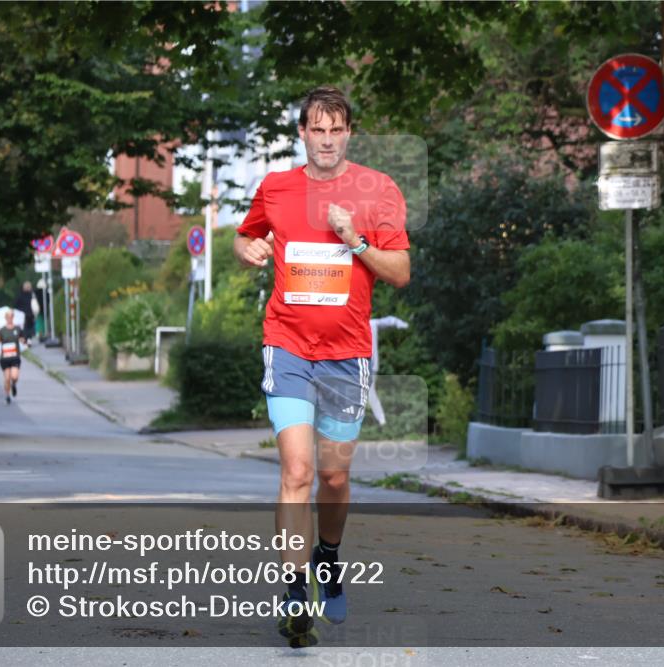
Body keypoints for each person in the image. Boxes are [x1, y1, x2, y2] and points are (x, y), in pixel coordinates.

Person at [234, 86, 410, 648]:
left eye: (337, 130)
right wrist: (248, 250)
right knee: (298, 473)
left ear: (348, 133)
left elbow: (400, 271)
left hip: (346, 355)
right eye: (317, 129)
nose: (327, 139)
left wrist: (352, 239)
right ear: (303, 133)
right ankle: (293, 590)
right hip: (286, 347)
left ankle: (328, 556)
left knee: (334, 476)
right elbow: (246, 235)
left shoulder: (377, 190)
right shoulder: (277, 188)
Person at [0, 309, 25, 404]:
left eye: (11, 316)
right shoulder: (2, 330)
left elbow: (22, 338)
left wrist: (22, 340)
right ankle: (7, 395)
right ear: (5, 318)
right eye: (7, 317)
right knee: (7, 378)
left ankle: (14, 385)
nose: (9, 318)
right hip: (5, 358)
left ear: (13, 317)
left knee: (14, 376)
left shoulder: (17, 329)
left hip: (15, 356)